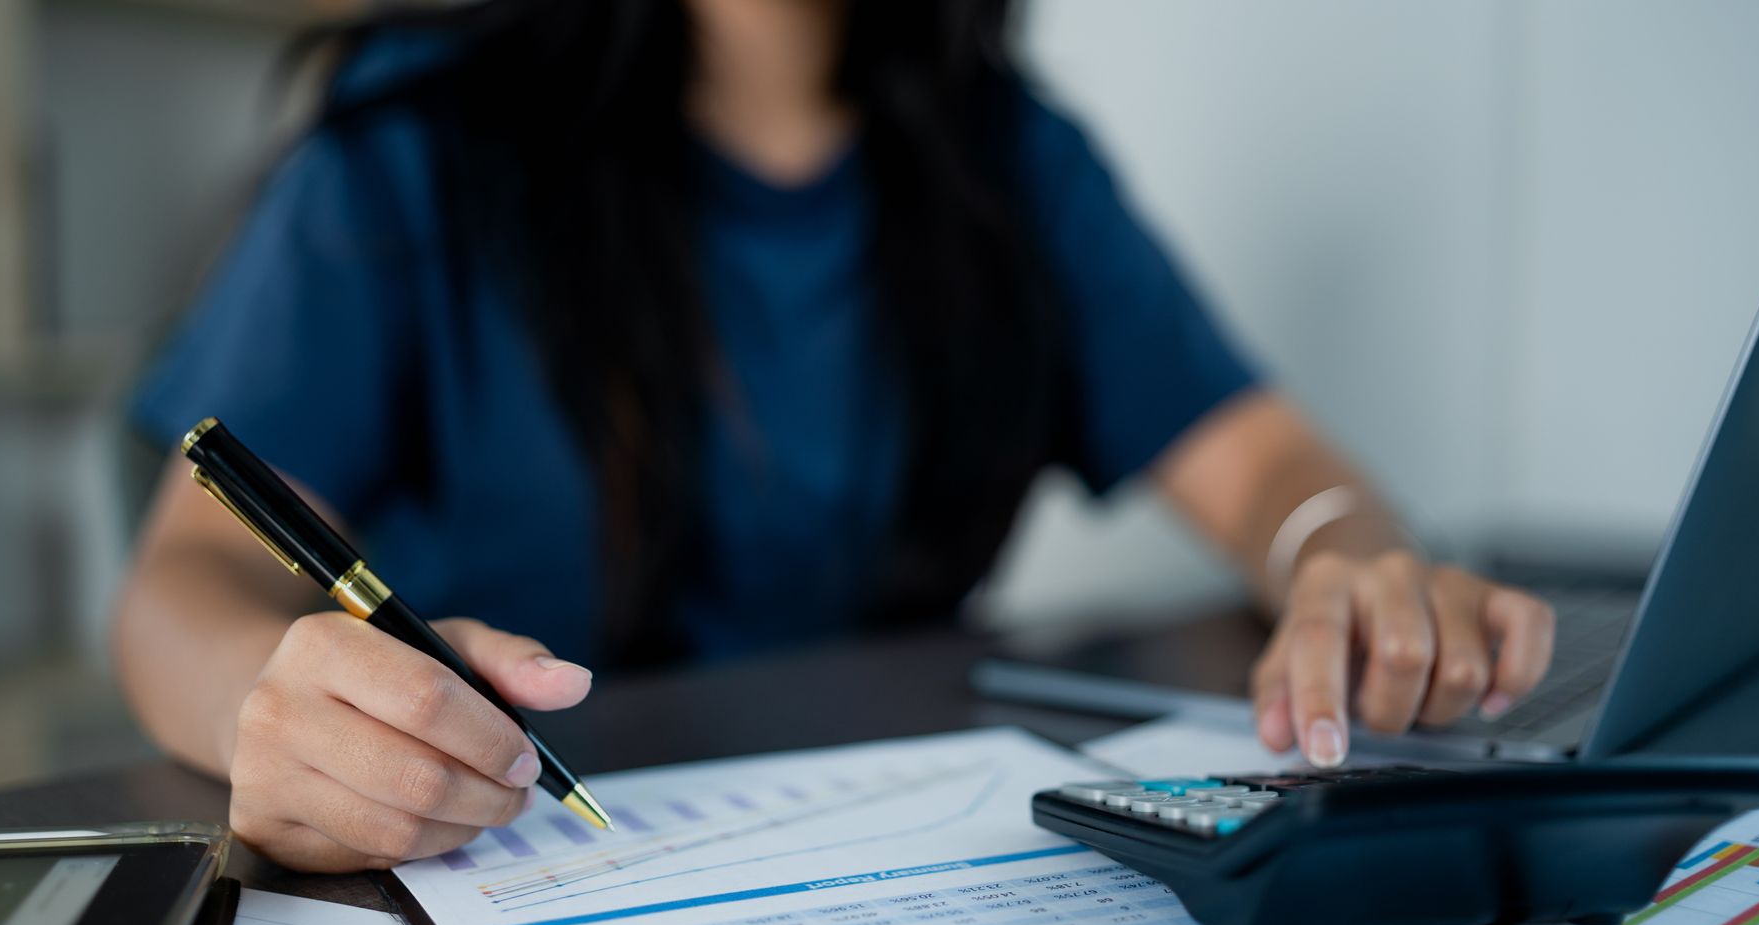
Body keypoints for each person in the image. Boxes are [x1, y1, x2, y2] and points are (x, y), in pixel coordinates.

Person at [114, 0, 1556, 873]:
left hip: (912, 862)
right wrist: (276, 707)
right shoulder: (414, 145)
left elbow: (1272, 473)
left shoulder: (1012, 165)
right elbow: (184, 585)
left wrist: (1345, 560)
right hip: (494, 860)